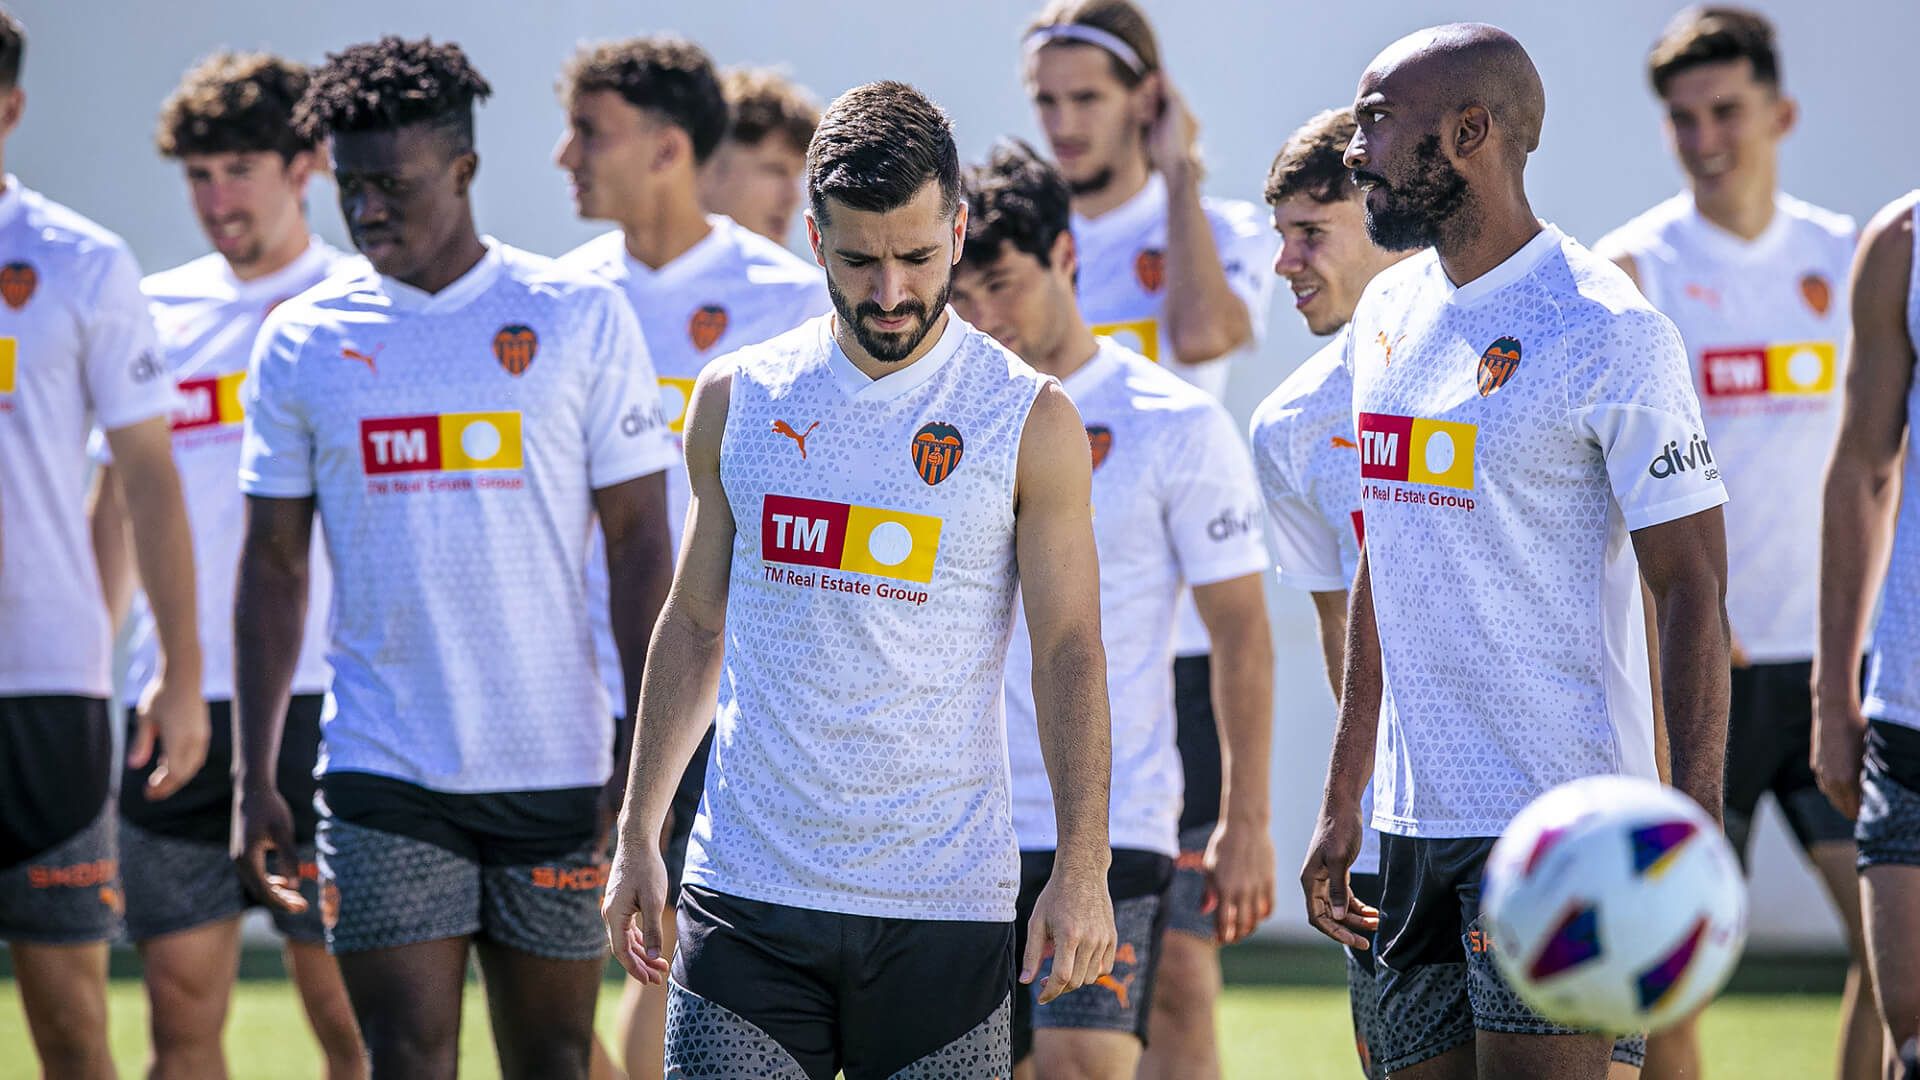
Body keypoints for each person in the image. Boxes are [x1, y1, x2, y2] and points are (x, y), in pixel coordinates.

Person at [600, 80, 1117, 1080]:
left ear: (960, 230)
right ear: (812, 238)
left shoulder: (1028, 418)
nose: (890, 292)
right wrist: (638, 832)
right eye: (859, 259)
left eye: (918, 258)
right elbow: (696, 623)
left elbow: (1067, 650)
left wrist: (1082, 867)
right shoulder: (739, 397)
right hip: (748, 893)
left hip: (944, 904)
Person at [230, 36, 676, 1079]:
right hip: (386, 771)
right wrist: (256, 771)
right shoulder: (304, 338)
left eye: (395, 184)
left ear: (464, 172)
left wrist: (638, 762)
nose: (369, 209)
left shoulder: (574, 316)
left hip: (558, 769)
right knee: (408, 1058)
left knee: (555, 1061)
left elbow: (642, 547)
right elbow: (272, 567)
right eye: (351, 187)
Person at [1300, 24, 1733, 1080]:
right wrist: (1344, 795)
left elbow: (1691, 587)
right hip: (1407, 832)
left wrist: (1692, 838)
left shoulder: (1612, 330)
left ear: (1469, 133)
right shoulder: (1388, 312)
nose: (1355, 150)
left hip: (1567, 829)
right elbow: (1382, 557)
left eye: (1375, 122)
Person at [950, 139, 1274, 1080]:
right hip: (953, 818)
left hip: (1113, 814)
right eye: (960, 296)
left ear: (1065, 257)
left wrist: (1246, 818)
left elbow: (1242, 632)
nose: (982, 318)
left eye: (1001, 285)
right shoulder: (938, 417)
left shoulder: (1174, 421)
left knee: (1084, 1065)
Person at [1594, 10, 1872, 1077]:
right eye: (1682, 119)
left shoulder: (1848, 259)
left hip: (1833, 669)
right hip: (1697, 668)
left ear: (1781, 113)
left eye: (1726, 112)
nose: (1705, 137)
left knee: (1898, 947)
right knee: (1671, 975)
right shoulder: (1634, 268)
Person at [551, 34, 827, 1080]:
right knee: (555, 962)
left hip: (721, 685)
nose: (564, 156)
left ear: (667, 148)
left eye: (589, 133)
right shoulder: (558, 295)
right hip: (568, 690)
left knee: (669, 964)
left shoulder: (786, 295)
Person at [86, 50, 363, 1080]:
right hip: (174, 707)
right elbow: (114, 510)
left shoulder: (363, 305)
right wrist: (92, 679)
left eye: (240, 166)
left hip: (327, 711)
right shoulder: (154, 310)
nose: (216, 197)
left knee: (358, 1031)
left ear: (306, 166)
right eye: (198, 174)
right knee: (179, 1028)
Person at [1018, 6, 1277, 1070]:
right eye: (1046, 99)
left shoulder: (1211, 226)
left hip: (1165, 654)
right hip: (1052, 632)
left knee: (1176, 963)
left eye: (1088, 97)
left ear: (1148, 99)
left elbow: (1210, 334)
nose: (1064, 122)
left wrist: (1177, 177)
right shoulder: (1015, 240)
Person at [0, 8, 207, 1077]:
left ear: (11, 107)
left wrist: (175, 667)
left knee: (73, 1023)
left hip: (48, 685)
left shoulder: (77, 263)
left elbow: (147, 481)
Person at [1248, 106, 1413, 1080]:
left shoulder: (1513, 363)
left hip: (1551, 799)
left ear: (1385, 216)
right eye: (1281, 236)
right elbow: (1336, 639)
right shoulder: (1291, 425)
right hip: (1398, 825)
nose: (1286, 264)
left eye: (1311, 233)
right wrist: (1353, 799)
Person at [1815, 188, 1920, 1080]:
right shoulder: (1902, 242)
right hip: (1908, 708)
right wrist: (1833, 694)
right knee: (1911, 1035)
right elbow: (1861, 469)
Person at [698, 65, 819, 246]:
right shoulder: (644, 269)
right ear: (708, 166)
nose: (794, 198)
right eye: (776, 170)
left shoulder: (800, 274)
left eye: (797, 174)